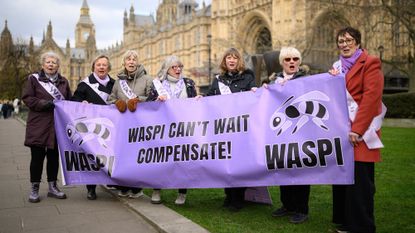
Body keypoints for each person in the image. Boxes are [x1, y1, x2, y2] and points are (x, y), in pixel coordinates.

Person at [329, 27, 384, 233]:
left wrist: (358, 129)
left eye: (348, 40)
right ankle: (345, 221)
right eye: (340, 41)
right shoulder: (336, 68)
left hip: (362, 132)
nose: (344, 44)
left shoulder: (370, 63)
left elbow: (371, 99)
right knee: (343, 178)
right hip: (342, 132)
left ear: (358, 42)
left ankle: (361, 226)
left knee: (360, 182)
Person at [206, 47, 257, 211]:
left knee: (239, 164)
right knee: (225, 164)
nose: (232, 60)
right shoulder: (218, 80)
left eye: (235, 57)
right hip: (224, 129)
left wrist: (255, 92)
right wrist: (201, 99)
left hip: (241, 129)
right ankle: (228, 195)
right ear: (224, 61)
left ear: (239, 61)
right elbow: (209, 99)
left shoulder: (248, 77)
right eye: (229, 57)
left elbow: (254, 98)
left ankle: (238, 199)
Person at [147, 55, 198, 205]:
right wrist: (156, 101)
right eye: (174, 67)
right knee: (160, 159)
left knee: (183, 160)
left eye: (179, 67)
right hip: (163, 129)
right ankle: (156, 190)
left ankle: (182, 192)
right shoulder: (158, 84)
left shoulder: (188, 83)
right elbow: (149, 105)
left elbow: (194, 102)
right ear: (167, 69)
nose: (177, 70)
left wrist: (198, 100)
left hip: (183, 129)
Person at [266, 47, 310, 224]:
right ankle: (288, 205)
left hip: (301, 132)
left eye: (295, 59)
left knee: (301, 171)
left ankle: (301, 209)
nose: (292, 62)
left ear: (299, 62)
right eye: (288, 60)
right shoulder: (273, 82)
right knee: (284, 170)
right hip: (281, 133)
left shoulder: (308, 80)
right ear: (282, 62)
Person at [21, 51, 72, 203]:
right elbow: (27, 98)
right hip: (39, 125)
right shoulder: (33, 79)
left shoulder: (64, 82)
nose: (51, 65)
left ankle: (52, 187)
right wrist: (44, 104)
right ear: (43, 65)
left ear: (58, 65)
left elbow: (69, 101)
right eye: (48, 62)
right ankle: (34, 188)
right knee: (36, 159)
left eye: (54, 62)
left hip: (57, 127)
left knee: (53, 158)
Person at [108, 49, 153, 198]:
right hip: (123, 125)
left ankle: (136, 187)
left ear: (138, 62)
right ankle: (124, 186)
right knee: (123, 155)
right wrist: (118, 102)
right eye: (128, 59)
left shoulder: (147, 79)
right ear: (124, 62)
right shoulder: (118, 82)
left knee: (137, 155)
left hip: (140, 124)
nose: (131, 62)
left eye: (134, 59)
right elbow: (110, 99)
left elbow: (153, 98)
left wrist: (139, 100)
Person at [71, 54, 115, 200]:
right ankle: (91, 188)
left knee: (108, 156)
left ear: (108, 68)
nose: (102, 67)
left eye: (104, 65)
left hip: (110, 127)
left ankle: (109, 181)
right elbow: (74, 99)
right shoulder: (85, 84)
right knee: (92, 157)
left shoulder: (114, 84)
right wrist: (82, 101)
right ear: (93, 67)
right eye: (99, 65)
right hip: (92, 127)